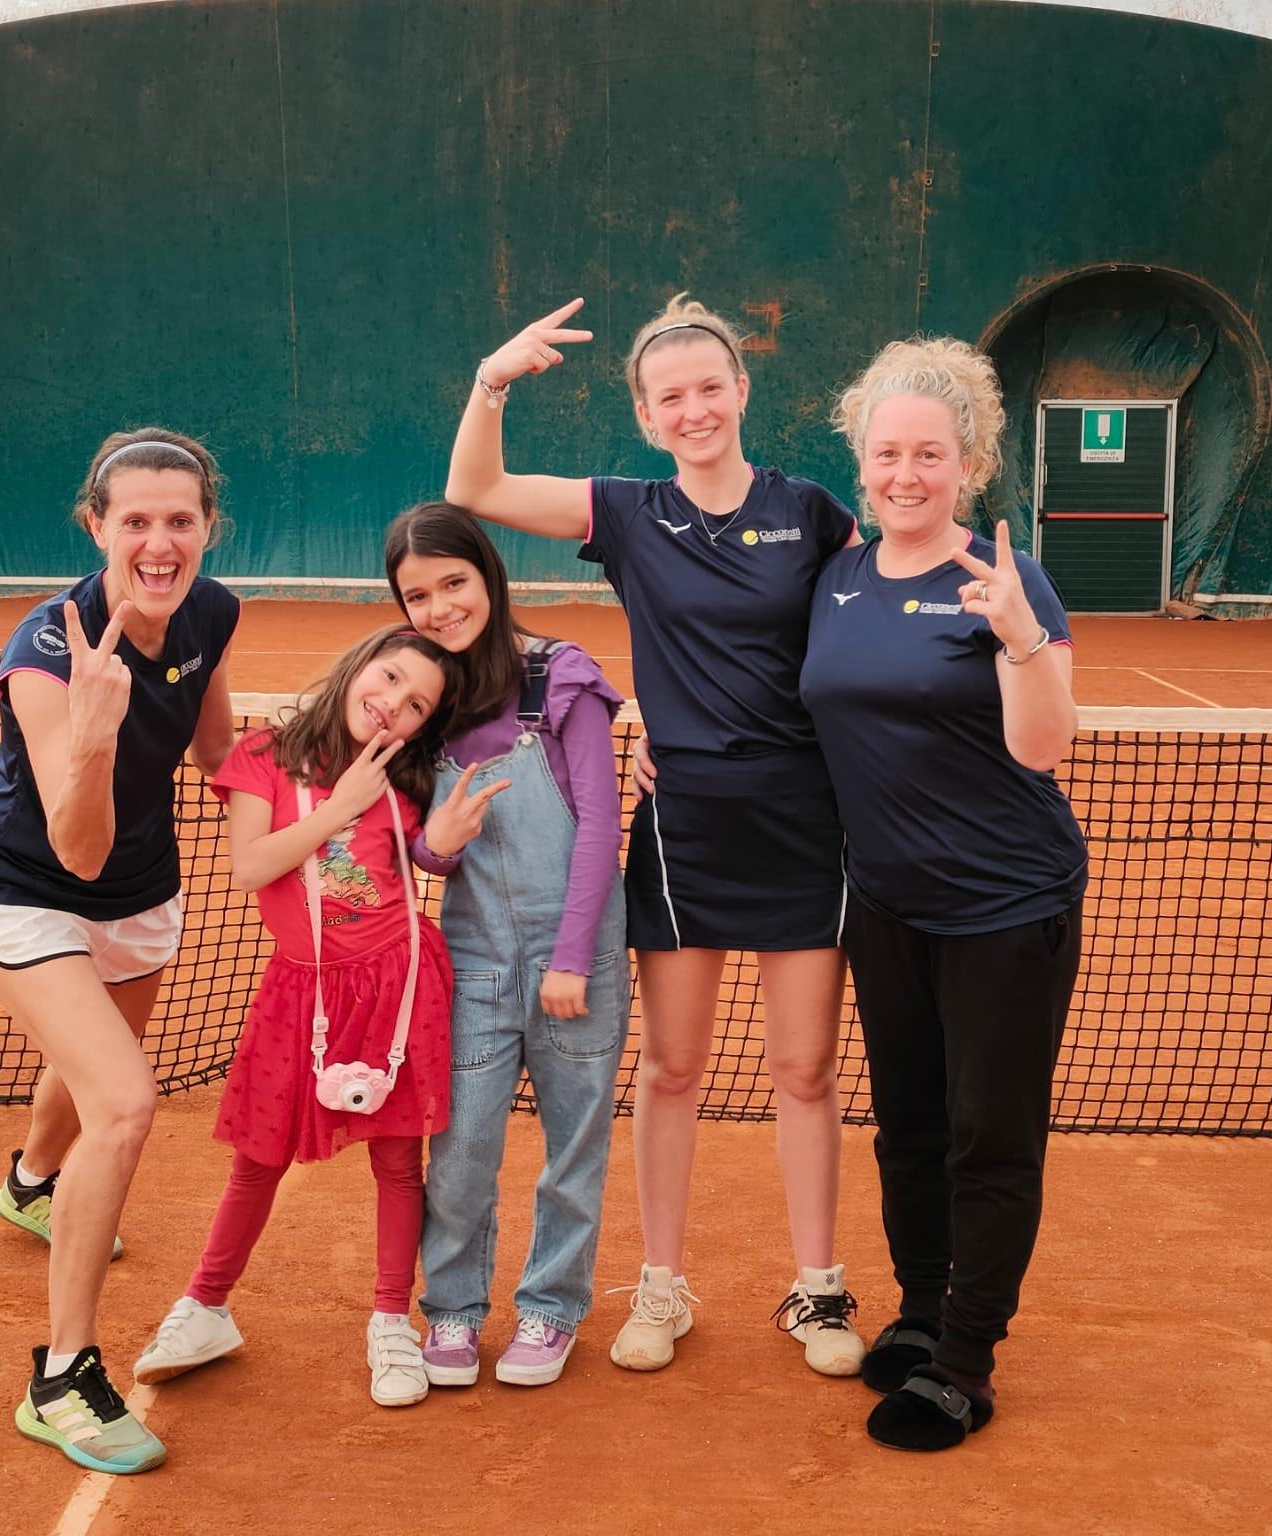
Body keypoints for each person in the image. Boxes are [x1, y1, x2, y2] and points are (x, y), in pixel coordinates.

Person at [445, 295, 866, 1378]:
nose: (693, 409)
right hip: (684, 829)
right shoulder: (627, 514)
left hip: (805, 824)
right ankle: (662, 1286)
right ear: (644, 413)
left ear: (740, 393)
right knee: (672, 1068)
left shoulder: (812, 513)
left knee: (804, 1069)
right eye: (669, 395)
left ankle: (817, 1291)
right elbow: (473, 492)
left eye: (709, 388)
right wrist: (493, 378)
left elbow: (861, 636)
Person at [799, 338, 1088, 1451]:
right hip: (882, 903)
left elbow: (1043, 748)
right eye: (885, 453)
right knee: (908, 1128)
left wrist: (1018, 636)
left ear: (968, 463)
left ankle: (964, 1361)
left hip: (1005, 909)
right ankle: (919, 1315)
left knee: (987, 1136)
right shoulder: (838, 576)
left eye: (929, 454)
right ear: (860, 461)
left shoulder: (1007, 580)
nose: (904, 474)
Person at [133, 624, 510, 1408]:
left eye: (415, 706)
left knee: (400, 1166)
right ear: (358, 663)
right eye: (390, 679)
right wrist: (340, 806)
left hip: (397, 989)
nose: (391, 707)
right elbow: (251, 866)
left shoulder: (408, 778)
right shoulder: (261, 757)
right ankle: (205, 1306)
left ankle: (388, 1322)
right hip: (300, 990)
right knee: (257, 1159)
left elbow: (420, 865)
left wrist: (437, 844)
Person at [0, 428, 239, 1475]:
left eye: (180, 521)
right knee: (123, 1102)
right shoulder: (44, 652)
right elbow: (73, 852)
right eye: (136, 521)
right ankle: (62, 1377)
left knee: (84, 1083)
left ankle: (31, 1181)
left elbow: (217, 749)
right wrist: (89, 730)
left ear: (207, 526)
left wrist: (331, 789)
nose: (159, 543)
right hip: (31, 896)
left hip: (142, 894)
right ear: (98, 526)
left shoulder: (210, 611)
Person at [382, 502, 628, 1389]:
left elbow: (600, 826)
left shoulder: (560, 677)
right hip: (475, 962)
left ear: (488, 574)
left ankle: (552, 1310)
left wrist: (568, 959)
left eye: (454, 582)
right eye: (418, 594)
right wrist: (437, 844)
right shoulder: (421, 701)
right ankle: (449, 1310)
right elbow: (423, 849)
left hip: (578, 960)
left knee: (573, 1149)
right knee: (460, 1151)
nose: (440, 606)